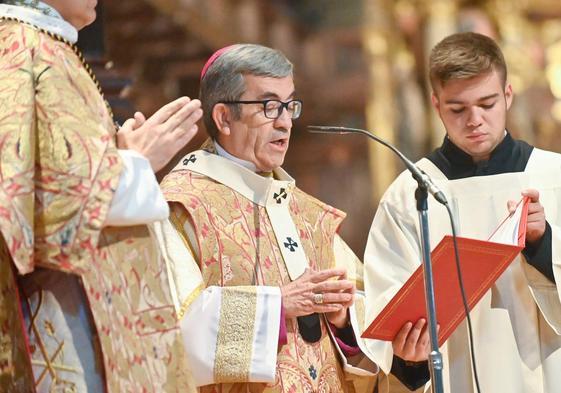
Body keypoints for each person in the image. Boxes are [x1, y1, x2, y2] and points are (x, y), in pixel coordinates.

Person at [0, 0, 202, 391]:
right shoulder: (24, 49)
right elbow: (38, 193)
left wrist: (120, 154)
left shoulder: (46, 46)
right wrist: (136, 161)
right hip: (59, 307)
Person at [157, 43, 380, 392]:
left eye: (290, 105)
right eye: (269, 106)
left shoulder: (306, 213)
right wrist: (276, 306)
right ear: (223, 117)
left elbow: (365, 306)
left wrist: (343, 319)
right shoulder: (180, 206)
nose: (285, 122)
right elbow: (170, 333)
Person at [363, 32, 561, 392]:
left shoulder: (554, 176)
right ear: (436, 105)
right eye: (458, 109)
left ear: (508, 96)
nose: (475, 120)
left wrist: (543, 244)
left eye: (487, 104)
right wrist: (409, 355)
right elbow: (388, 309)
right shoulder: (408, 195)